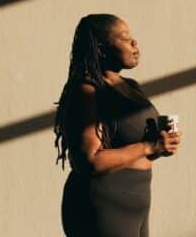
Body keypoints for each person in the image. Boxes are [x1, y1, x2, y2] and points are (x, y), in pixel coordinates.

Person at [53, 14, 182, 237]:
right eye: (124, 37)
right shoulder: (87, 91)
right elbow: (89, 160)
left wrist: (161, 146)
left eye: (132, 36)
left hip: (137, 201)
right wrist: (149, 147)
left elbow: (134, 146)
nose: (134, 43)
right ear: (101, 49)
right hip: (103, 204)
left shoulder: (131, 87)